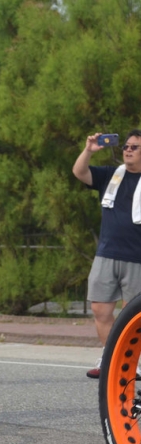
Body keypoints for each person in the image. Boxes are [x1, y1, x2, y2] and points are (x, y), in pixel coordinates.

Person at [73, 129, 141, 378]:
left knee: (133, 317)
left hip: (137, 259)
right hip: (106, 255)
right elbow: (80, 172)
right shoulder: (112, 175)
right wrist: (88, 150)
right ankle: (111, 357)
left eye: (134, 147)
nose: (128, 150)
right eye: (126, 146)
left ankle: (132, 362)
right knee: (100, 309)